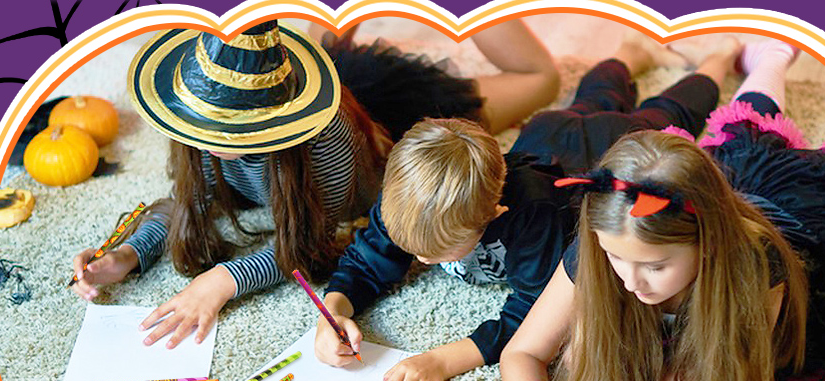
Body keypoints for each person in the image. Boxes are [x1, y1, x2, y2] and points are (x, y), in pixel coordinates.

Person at [498, 40, 825, 381]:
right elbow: (521, 353)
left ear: (708, 246)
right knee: (734, 148)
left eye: (655, 267)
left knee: (754, 134)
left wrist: (613, 361)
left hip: (796, 222)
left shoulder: (757, 267)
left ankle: (772, 56)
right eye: (614, 257)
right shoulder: (608, 244)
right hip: (701, 202)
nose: (630, 281)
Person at [68, 19, 559, 349]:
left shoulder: (326, 144)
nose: (207, 142)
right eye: (201, 126)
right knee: (323, 45)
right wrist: (127, 254)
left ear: (270, 122)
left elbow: (312, 240)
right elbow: (190, 201)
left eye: (225, 129)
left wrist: (221, 280)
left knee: (541, 80)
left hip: (404, 123)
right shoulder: (197, 119)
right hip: (316, 82)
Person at [314, 36, 745, 381]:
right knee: (592, 97)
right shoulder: (409, 197)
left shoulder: (536, 223)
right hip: (546, 130)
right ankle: (631, 54)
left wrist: (440, 361)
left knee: (670, 112)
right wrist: (333, 310)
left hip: (604, 146)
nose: (420, 258)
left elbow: (531, 317)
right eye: (411, 247)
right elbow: (366, 260)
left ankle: (718, 60)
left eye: (437, 252)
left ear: (494, 215)